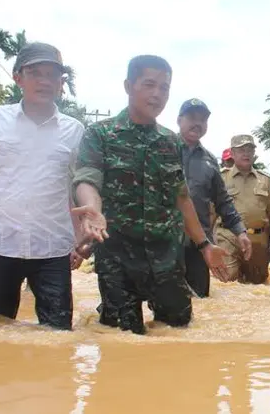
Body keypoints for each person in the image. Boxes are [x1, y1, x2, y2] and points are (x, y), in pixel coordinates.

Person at [72, 55, 228, 335]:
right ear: (128, 86)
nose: (157, 94)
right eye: (149, 84)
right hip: (117, 258)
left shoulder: (170, 141)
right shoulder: (100, 134)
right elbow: (87, 179)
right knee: (121, 342)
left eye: (165, 88)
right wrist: (92, 209)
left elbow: (181, 197)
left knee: (178, 334)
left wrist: (204, 246)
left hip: (167, 258)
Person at [0, 42, 84, 330]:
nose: (44, 81)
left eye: (52, 75)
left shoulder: (75, 130)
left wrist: (81, 241)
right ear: (18, 77)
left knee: (57, 335)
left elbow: (80, 187)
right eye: (35, 73)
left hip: (53, 249)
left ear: (61, 83)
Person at [177, 97, 252, 297]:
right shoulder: (163, 149)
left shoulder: (209, 160)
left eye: (203, 119)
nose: (198, 123)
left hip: (199, 245)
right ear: (179, 120)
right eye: (192, 117)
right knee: (166, 306)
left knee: (200, 303)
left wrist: (240, 231)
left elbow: (223, 200)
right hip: (165, 241)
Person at [215, 134, 270, 283]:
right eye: (241, 150)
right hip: (228, 237)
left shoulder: (265, 180)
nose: (246, 153)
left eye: (250, 149)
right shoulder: (220, 178)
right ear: (233, 153)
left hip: (258, 240)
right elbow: (210, 212)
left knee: (258, 285)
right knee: (228, 282)